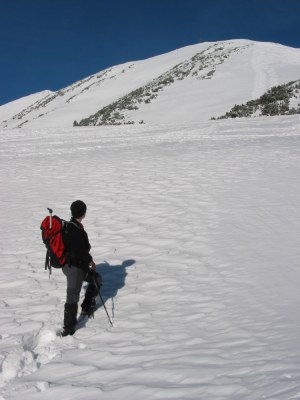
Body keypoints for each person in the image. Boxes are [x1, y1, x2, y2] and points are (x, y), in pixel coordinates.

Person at [60, 200, 102, 337]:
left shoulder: (72, 225)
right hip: (74, 268)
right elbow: (79, 250)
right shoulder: (74, 228)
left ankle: (86, 308)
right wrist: (89, 260)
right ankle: (68, 329)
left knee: (96, 279)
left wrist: (88, 261)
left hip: (73, 265)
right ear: (83, 213)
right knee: (72, 297)